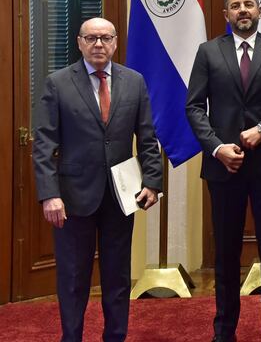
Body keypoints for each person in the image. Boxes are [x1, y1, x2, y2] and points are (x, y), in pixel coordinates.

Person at [33, 17, 163, 342]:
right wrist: (50, 194)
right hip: (73, 198)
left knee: (118, 277)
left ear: (116, 43)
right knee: (74, 278)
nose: (99, 45)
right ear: (79, 42)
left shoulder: (134, 82)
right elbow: (44, 145)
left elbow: (147, 137)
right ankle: (72, 337)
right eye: (91, 38)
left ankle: (115, 336)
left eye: (105, 38)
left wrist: (153, 182)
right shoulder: (58, 83)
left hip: (122, 197)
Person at [186, 0, 261, 342]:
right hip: (223, 167)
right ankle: (224, 330)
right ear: (226, 15)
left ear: (260, 10)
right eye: (235, 6)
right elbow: (193, 106)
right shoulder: (208, 52)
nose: (243, 10)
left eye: (249, 4)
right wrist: (217, 147)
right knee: (226, 252)